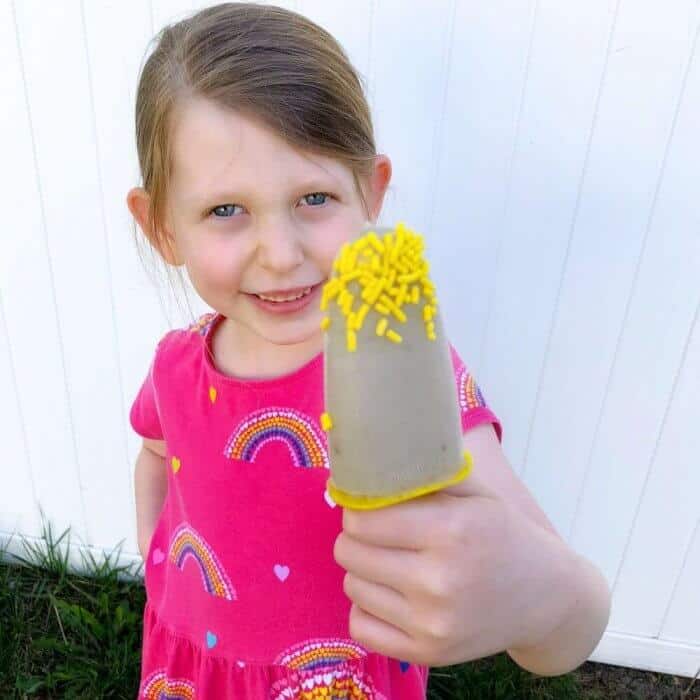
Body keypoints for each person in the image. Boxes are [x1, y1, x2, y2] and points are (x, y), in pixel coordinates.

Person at [126, 3, 612, 698]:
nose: (281, 254)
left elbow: (574, 630)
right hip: (192, 670)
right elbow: (154, 453)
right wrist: (158, 565)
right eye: (225, 210)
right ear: (160, 227)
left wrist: (543, 594)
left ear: (372, 191)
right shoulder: (176, 364)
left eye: (314, 197)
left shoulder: (407, 377)